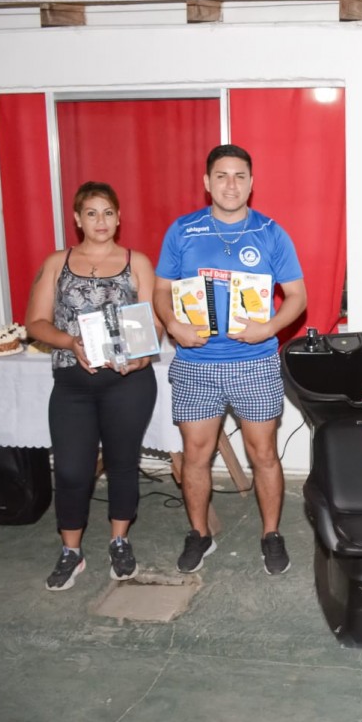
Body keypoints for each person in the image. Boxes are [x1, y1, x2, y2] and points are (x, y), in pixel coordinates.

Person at [153, 144, 307, 576]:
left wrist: (269, 327)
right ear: (207, 182)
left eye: (240, 176)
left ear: (251, 183)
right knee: (196, 455)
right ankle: (200, 534)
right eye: (221, 176)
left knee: (264, 454)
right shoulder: (182, 231)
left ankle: (271, 534)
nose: (231, 185)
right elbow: (161, 290)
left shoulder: (271, 233)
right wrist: (172, 323)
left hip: (254, 363)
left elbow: (298, 297)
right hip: (195, 364)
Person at [26, 182, 159, 591]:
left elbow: (152, 322)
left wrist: (143, 355)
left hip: (128, 381)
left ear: (119, 218)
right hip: (73, 383)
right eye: (91, 213)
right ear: (77, 219)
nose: (100, 221)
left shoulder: (138, 262)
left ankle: (120, 541)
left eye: (108, 212)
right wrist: (70, 342)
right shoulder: (57, 262)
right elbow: (35, 322)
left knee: (122, 463)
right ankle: (71, 551)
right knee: (71, 469)